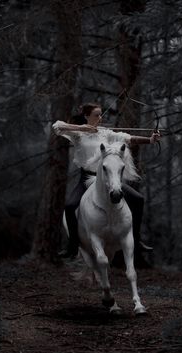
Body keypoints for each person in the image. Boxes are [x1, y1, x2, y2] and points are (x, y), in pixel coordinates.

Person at [52, 103, 160, 265]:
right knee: (69, 206)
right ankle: (73, 245)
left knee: (138, 199)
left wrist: (150, 140)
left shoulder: (105, 133)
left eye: (101, 114)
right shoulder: (78, 134)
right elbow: (57, 127)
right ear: (87, 116)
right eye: (96, 115)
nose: (100, 118)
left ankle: (136, 240)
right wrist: (83, 128)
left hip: (108, 179)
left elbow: (128, 138)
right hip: (87, 179)